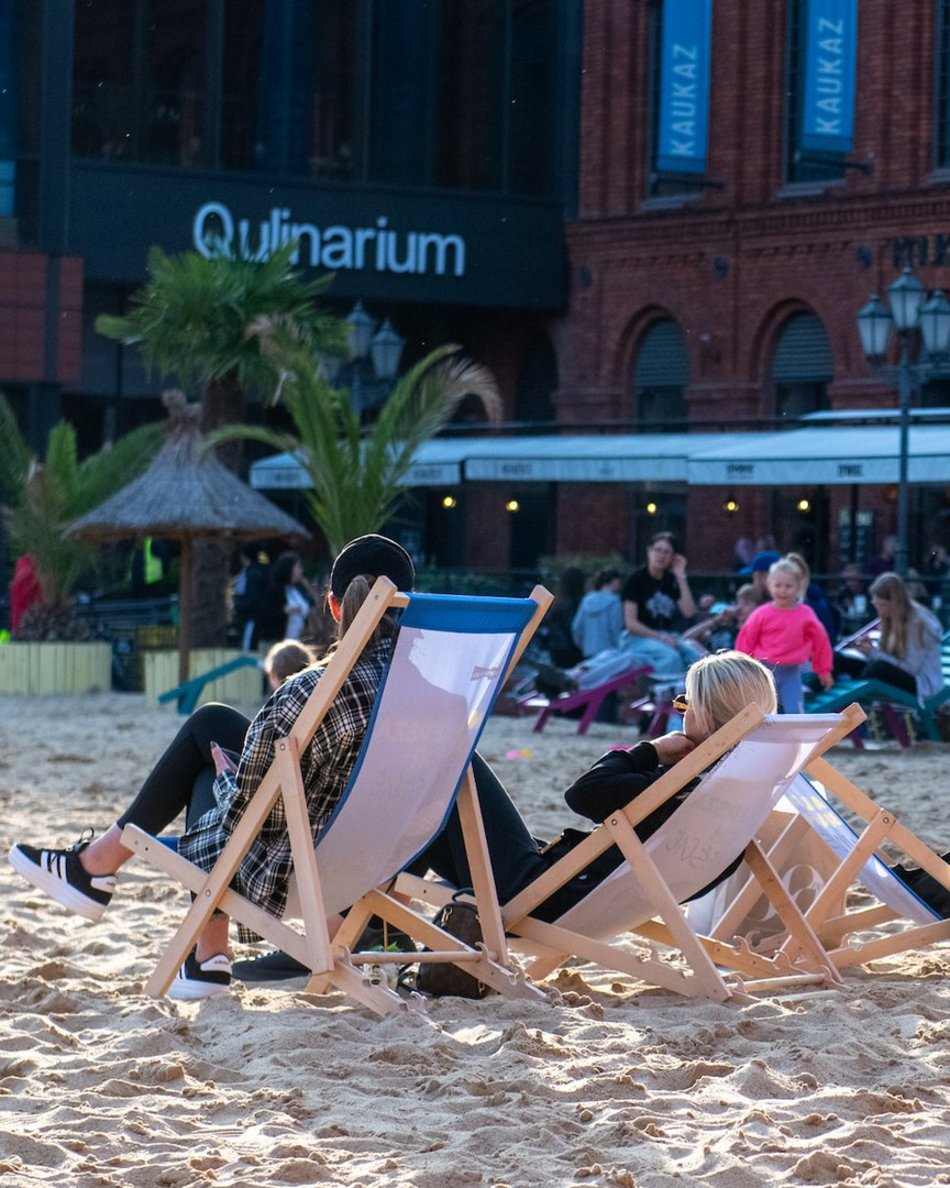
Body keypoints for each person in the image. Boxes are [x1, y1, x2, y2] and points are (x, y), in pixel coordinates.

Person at [8, 534, 416, 999]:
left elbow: (250, 814)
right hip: (376, 862)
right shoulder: (437, 698)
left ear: (335, 607)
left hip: (299, 867)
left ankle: (190, 943)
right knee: (215, 727)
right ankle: (108, 874)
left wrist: (228, 777)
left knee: (207, 745)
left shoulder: (311, 693)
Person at [735, 555, 834, 713]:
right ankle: (757, 738)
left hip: (791, 672)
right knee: (760, 712)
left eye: (788, 586)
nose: (783, 590)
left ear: (798, 587)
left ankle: (796, 738)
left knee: (795, 711)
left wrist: (823, 670)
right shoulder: (761, 614)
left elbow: (820, 642)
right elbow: (746, 641)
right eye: (778, 585)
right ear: (770, 585)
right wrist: (742, 667)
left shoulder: (805, 614)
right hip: (763, 671)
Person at [618, 532, 705, 680]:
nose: (661, 555)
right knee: (670, 657)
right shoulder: (636, 580)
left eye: (667, 552)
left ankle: (697, 699)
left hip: (665, 637)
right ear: (649, 551)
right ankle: (662, 696)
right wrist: (661, 637)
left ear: (672, 557)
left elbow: (689, 612)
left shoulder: (671, 581)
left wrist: (681, 576)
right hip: (636, 638)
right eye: (658, 550)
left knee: (697, 658)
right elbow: (630, 623)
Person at [849, 572, 943, 701]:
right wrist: (869, 651)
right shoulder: (891, 617)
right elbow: (888, 657)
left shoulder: (918, 624)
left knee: (876, 668)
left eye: (883, 606)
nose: (880, 611)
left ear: (894, 603)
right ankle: (813, 691)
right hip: (900, 673)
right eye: (877, 606)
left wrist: (874, 653)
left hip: (921, 685)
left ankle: (853, 706)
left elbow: (910, 669)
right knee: (844, 660)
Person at [255, 550, 316, 644]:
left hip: (297, 641)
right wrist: (285, 611)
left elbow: (312, 604)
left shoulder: (298, 590)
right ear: (289, 568)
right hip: (276, 641)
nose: (301, 570)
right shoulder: (275, 590)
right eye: (298, 567)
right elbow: (265, 615)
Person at [571, 567, 623, 659]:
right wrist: (619, 648)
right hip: (609, 652)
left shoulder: (586, 600)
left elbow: (576, 627)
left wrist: (583, 645)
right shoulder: (615, 602)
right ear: (613, 581)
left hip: (588, 650)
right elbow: (616, 628)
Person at [543, 567, 586, 668]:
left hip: (556, 646)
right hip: (571, 649)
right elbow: (571, 626)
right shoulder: (575, 602)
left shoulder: (559, 601)